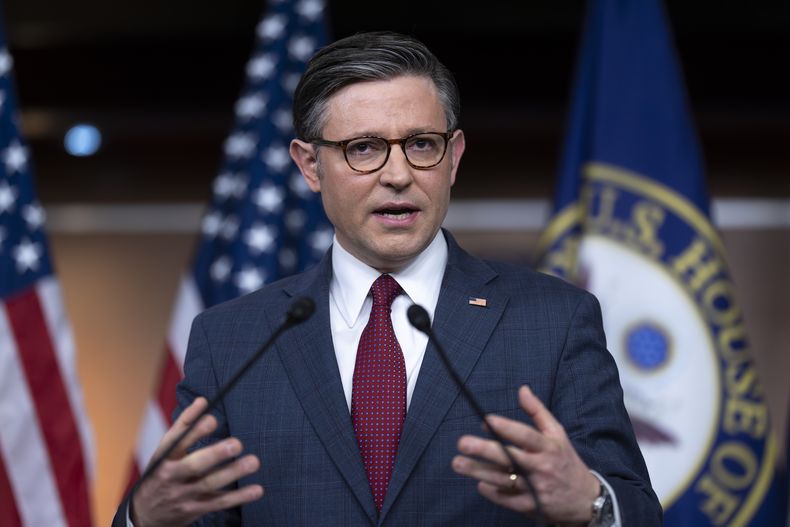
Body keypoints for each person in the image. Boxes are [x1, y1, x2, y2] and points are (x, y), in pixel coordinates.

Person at [115, 31, 661, 526]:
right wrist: (144, 518)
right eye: (364, 149)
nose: (398, 175)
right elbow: (191, 508)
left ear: (454, 157)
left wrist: (590, 503)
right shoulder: (233, 338)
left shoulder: (554, 320)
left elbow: (635, 509)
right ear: (310, 166)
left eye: (422, 144)